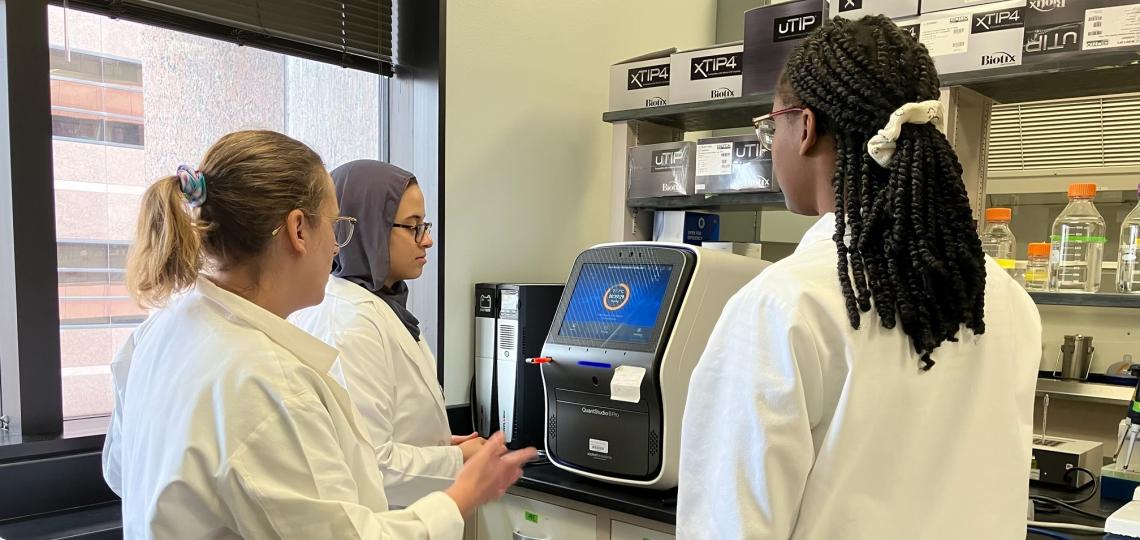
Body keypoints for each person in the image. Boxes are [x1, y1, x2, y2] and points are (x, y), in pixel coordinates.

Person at [677, 16, 1041, 539]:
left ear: (803, 128)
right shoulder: (1004, 300)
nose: (770, 144)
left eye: (770, 127)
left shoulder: (784, 305)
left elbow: (729, 526)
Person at [103, 130, 534, 538]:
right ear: (298, 230)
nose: (336, 246)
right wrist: (460, 494)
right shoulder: (268, 384)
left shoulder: (159, 330)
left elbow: (119, 470)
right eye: (335, 224)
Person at [291, 160, 482, 507]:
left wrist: (438, 443)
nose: (427, 240)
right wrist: (458, 460)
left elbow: (390, 421)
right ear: (370, 229)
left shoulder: (381, 303)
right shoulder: (350, 321)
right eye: (412, 227)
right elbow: (372, 466)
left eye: (424, 225)